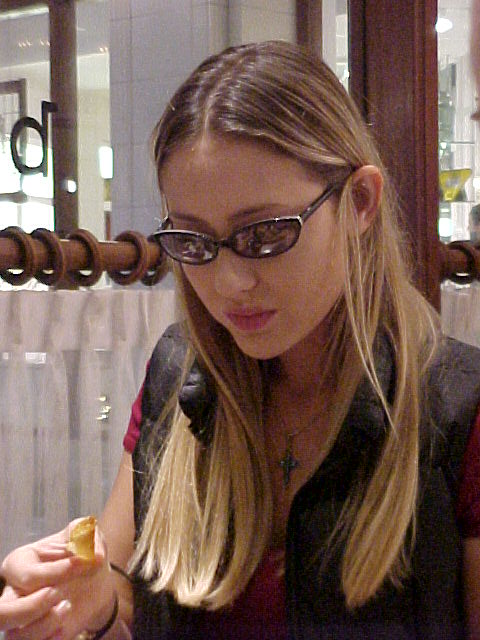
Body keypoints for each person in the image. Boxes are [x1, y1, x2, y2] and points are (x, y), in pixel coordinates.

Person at [1, 39, 480, 640]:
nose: (230, 283)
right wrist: (89, 606)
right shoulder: (177, 377)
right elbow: (122, 600)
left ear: (360, 202)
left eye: (265, 234)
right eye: (193, 242)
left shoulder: (457, 412)